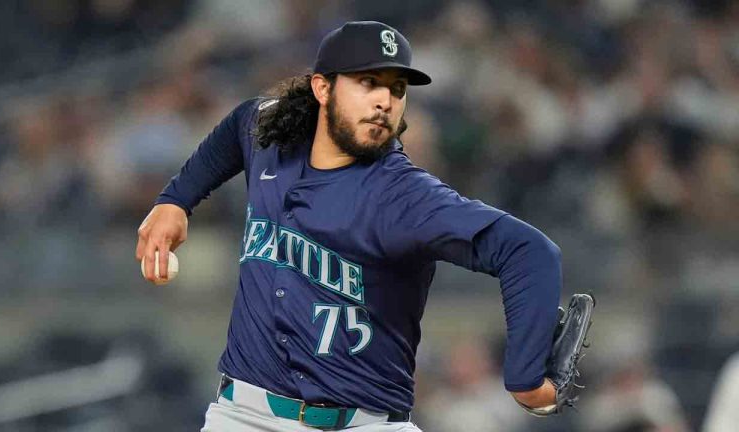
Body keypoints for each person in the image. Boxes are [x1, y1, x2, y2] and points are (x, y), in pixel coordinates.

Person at [136, 21, 562, 431]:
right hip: (243, 417)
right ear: (322, 88)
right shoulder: (272, 134)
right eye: (368, 83)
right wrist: (176, 200)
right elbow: (238, 126)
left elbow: (527, 251)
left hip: (363, 424)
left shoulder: (404, 195)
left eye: (397, 89)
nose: (385, 101)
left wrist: (524, 376)